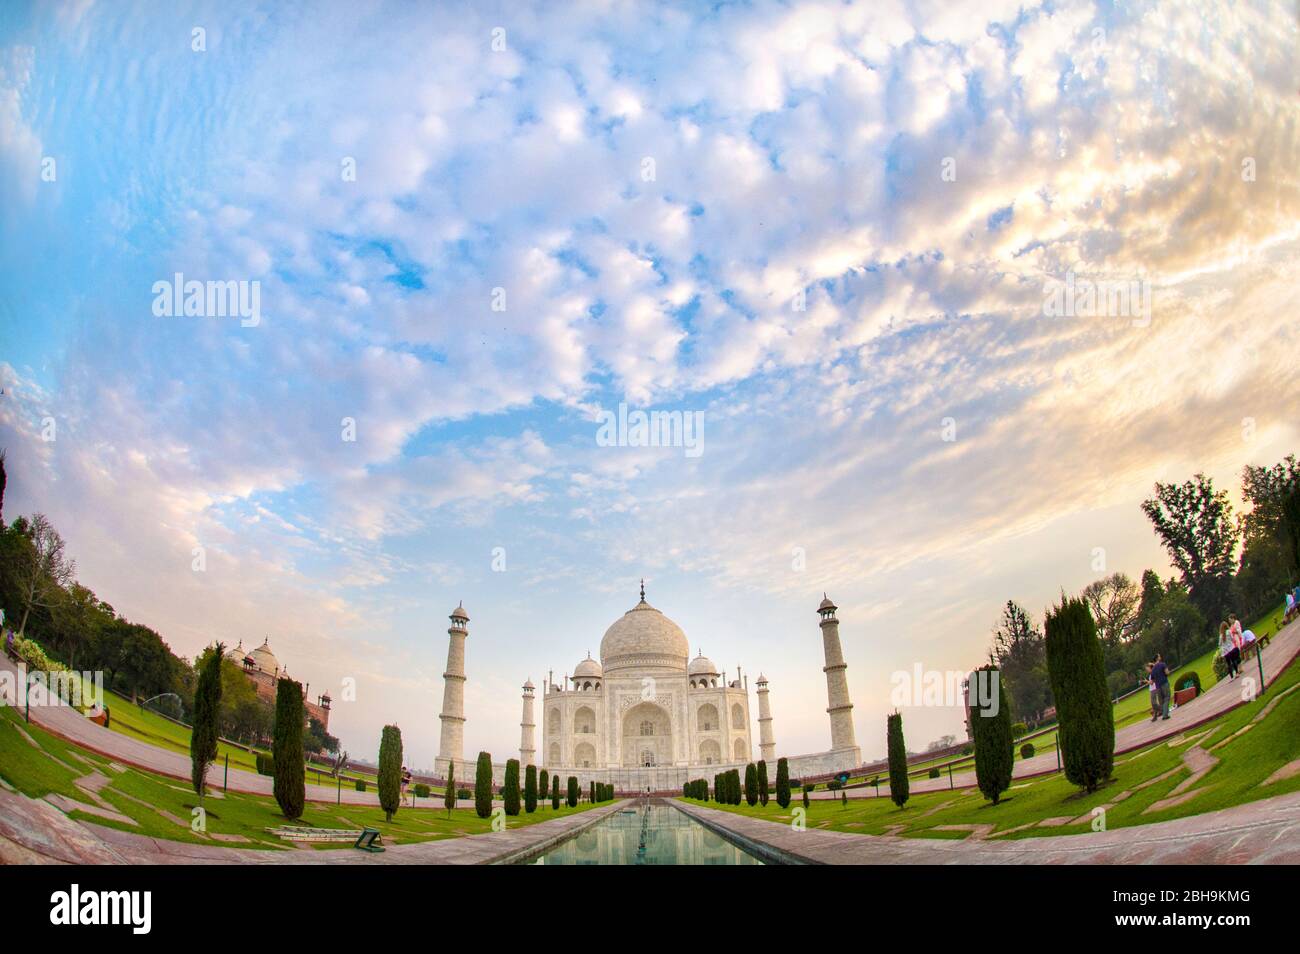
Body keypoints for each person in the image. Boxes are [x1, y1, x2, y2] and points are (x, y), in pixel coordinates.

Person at [1150, 654, 1171, 721]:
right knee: (1167, 697)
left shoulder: (1152, 670)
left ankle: (1164, 714)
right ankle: (1165, 715)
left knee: (1161, 701)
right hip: (1164, 683)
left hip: (1158, 687)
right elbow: (1167, 673)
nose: (1160, 657)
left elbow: (1152, 681)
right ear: (1157, 658)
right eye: (1159, 656)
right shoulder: (1162, 664)